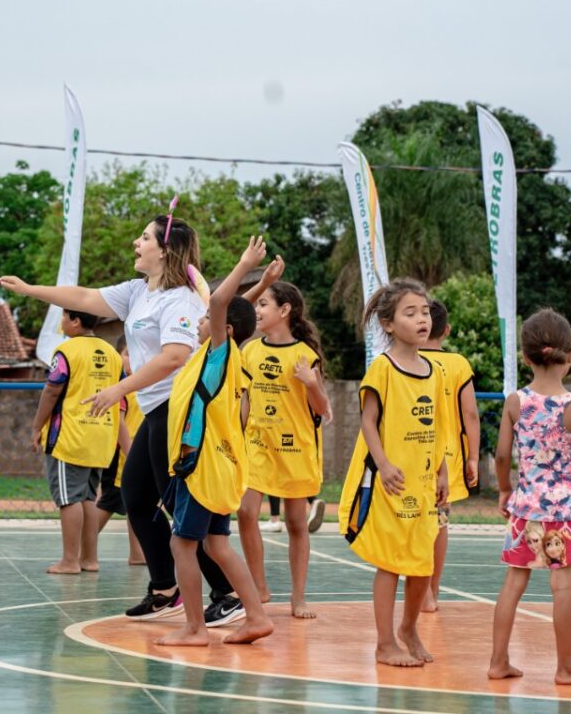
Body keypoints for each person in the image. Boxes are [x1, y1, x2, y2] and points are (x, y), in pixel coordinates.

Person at [0, 213, 235, 621]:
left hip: (179, 412)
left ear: (165, 250)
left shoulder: (180, 300)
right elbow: (84, 297)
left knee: (179, 508)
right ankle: (165, 588)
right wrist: (29, 289)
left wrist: (118, 389)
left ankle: (227, 593)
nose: (135, 243)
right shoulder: (139, 291)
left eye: (144, 238)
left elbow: (175, 357)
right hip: (157, 411)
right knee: (136, 498)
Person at [157, 235, 275, 646]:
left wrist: (245, 265)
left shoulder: (219, 354)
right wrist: (258, 287)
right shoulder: (230, 359)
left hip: (203, 467)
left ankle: (195, 628)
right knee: (218, 545)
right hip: (221, 466)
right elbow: (233, 309)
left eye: (207, 318)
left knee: (181, 545)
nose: (200, 321)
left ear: (225, 329)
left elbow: (223, 302)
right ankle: (256, 615)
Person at [487, 308, 571, 685]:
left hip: (525, 508)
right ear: (568, 356)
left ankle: (498, 662)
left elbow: (502, 456)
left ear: (526, 357)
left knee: (513, 583)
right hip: (565, 511)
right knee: (564, 587)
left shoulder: (515, 402)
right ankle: (565, 668)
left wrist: (506, 489)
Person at [336, 278, 448, 667]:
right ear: (388, 324)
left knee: (423, 564)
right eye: (410, 313)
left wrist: (442, 471)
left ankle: (409, 629)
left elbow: (439, 427)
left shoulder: (434, 371)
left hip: (423, 482)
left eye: (425, 312)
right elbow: (368, 421)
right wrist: (383, 464)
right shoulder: (383, 368)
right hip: (391, 482)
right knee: (391, 563)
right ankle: (385, 643)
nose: (422, 319)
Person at [237, 280, 330, 618]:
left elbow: (322, 409)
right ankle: (259, 586)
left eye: (263, 304)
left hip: (295, 448)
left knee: (296, 524)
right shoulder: (249, 351)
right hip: (257, 444)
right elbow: (245, 400)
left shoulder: (306, 356)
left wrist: (311, 383)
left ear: (285, 310)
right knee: (245, 512)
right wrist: (236, 437)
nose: (257, 310)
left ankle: (298, 597)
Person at [30, 309, 121, 574]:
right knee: (88, 498)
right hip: (101, 435)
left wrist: (37, 426)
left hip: (70, 436)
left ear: (76, 321)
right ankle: (89, 559)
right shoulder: (112, 354)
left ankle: (69, 561)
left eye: (64, 317)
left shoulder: (66, 351)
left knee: (69, 498)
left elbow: (52, 390)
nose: (61, 322)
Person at [419, 299, 481, 612]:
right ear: (447, 330)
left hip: (413, 453)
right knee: (440, 523)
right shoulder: (457, 364)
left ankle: (418, 589)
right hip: (449, 458)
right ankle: (431, 591)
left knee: (414, 523)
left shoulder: (407, 360)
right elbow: (470, 414)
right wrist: (473, 458)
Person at [98, 335, 146, 566]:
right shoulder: (119, 387)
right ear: (118, 357)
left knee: (137, 503)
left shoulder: (142, 385)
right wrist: (130, 452)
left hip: (138, 455)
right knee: (109, 502)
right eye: (128, 353)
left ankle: (137, 553)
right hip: (122, 456)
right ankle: (80, 548)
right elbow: (119, 423)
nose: (133, 358)